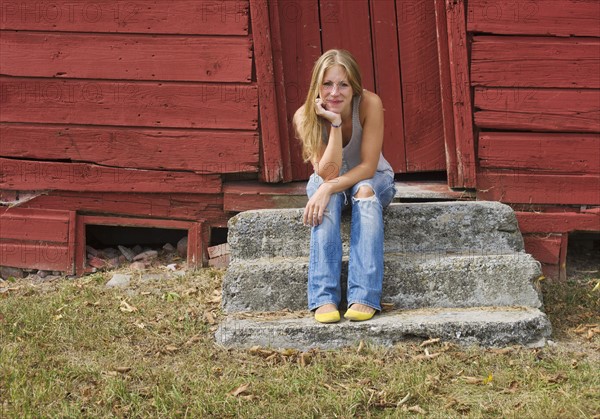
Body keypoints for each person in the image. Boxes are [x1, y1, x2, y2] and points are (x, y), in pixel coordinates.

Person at [293, 49, 397, 323]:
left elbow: (368, 167)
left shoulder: (370, 104)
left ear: (355, 86)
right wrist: (335, 125)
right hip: (333, 178)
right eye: (327, 84)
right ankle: (324, 297)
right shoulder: (304, 116)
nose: (334, 93)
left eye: (343, 84)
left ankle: (364, 295)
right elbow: (328, 173)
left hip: (373, 178)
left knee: (363, 190)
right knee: (323, 191)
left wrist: (327, 188)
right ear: (317, 87)